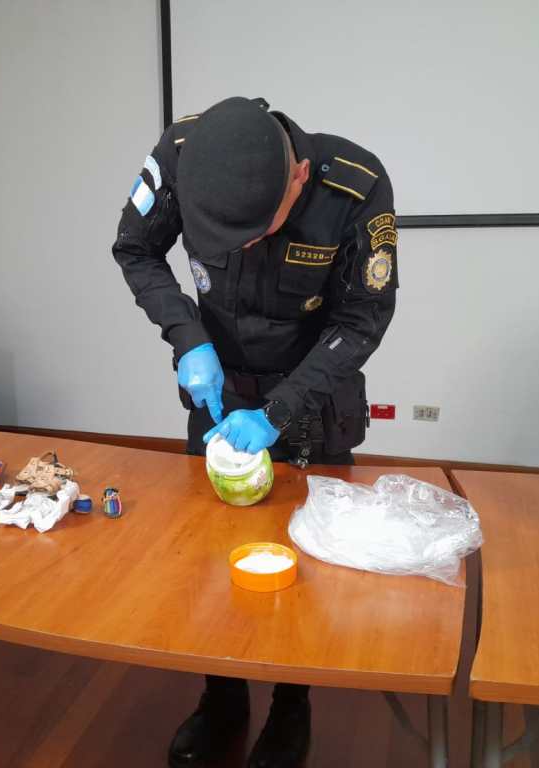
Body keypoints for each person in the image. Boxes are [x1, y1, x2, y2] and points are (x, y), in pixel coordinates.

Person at [112, 96, 398, 768]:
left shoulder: (355, 186)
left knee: (304, 558)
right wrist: (186, 337)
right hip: (220, 388)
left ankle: (292, 705)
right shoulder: (183, 155)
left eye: (253, 234)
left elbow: (362, 319)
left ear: (297, 177)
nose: (239, 250)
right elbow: (135, 248)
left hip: (312, 391)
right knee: (211, 552)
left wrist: (280, 411)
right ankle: (222, 697)